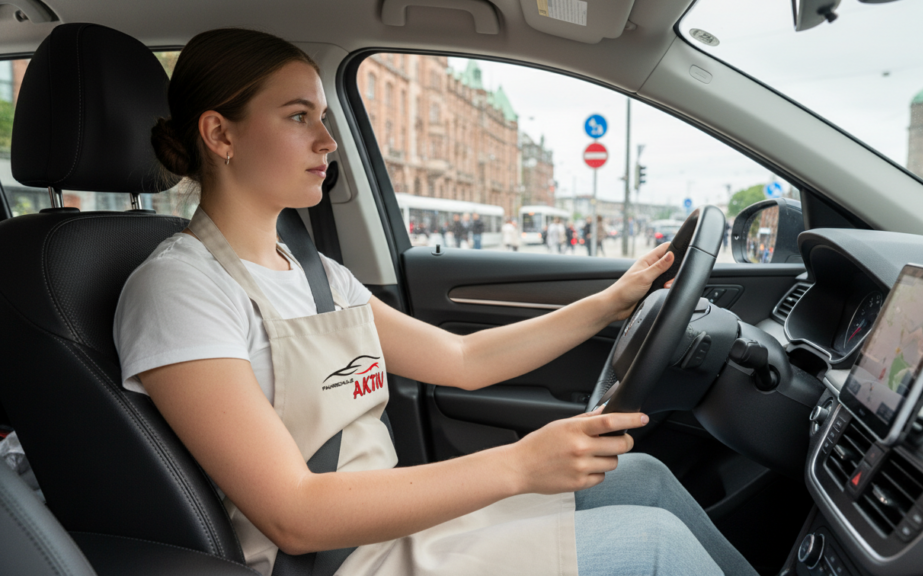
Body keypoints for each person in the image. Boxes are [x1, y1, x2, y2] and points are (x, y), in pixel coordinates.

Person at [115, 28, 754, 576]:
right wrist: (522, 464)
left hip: (395, 529)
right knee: (653, 548)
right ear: (220, 134)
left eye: (324, 118)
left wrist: (611, 302)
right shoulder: (180, 289)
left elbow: (462, 358)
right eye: (297, 116)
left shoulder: (317, 272)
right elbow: (295, 513)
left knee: (641, 478)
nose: (327, 142)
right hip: (337, 561)